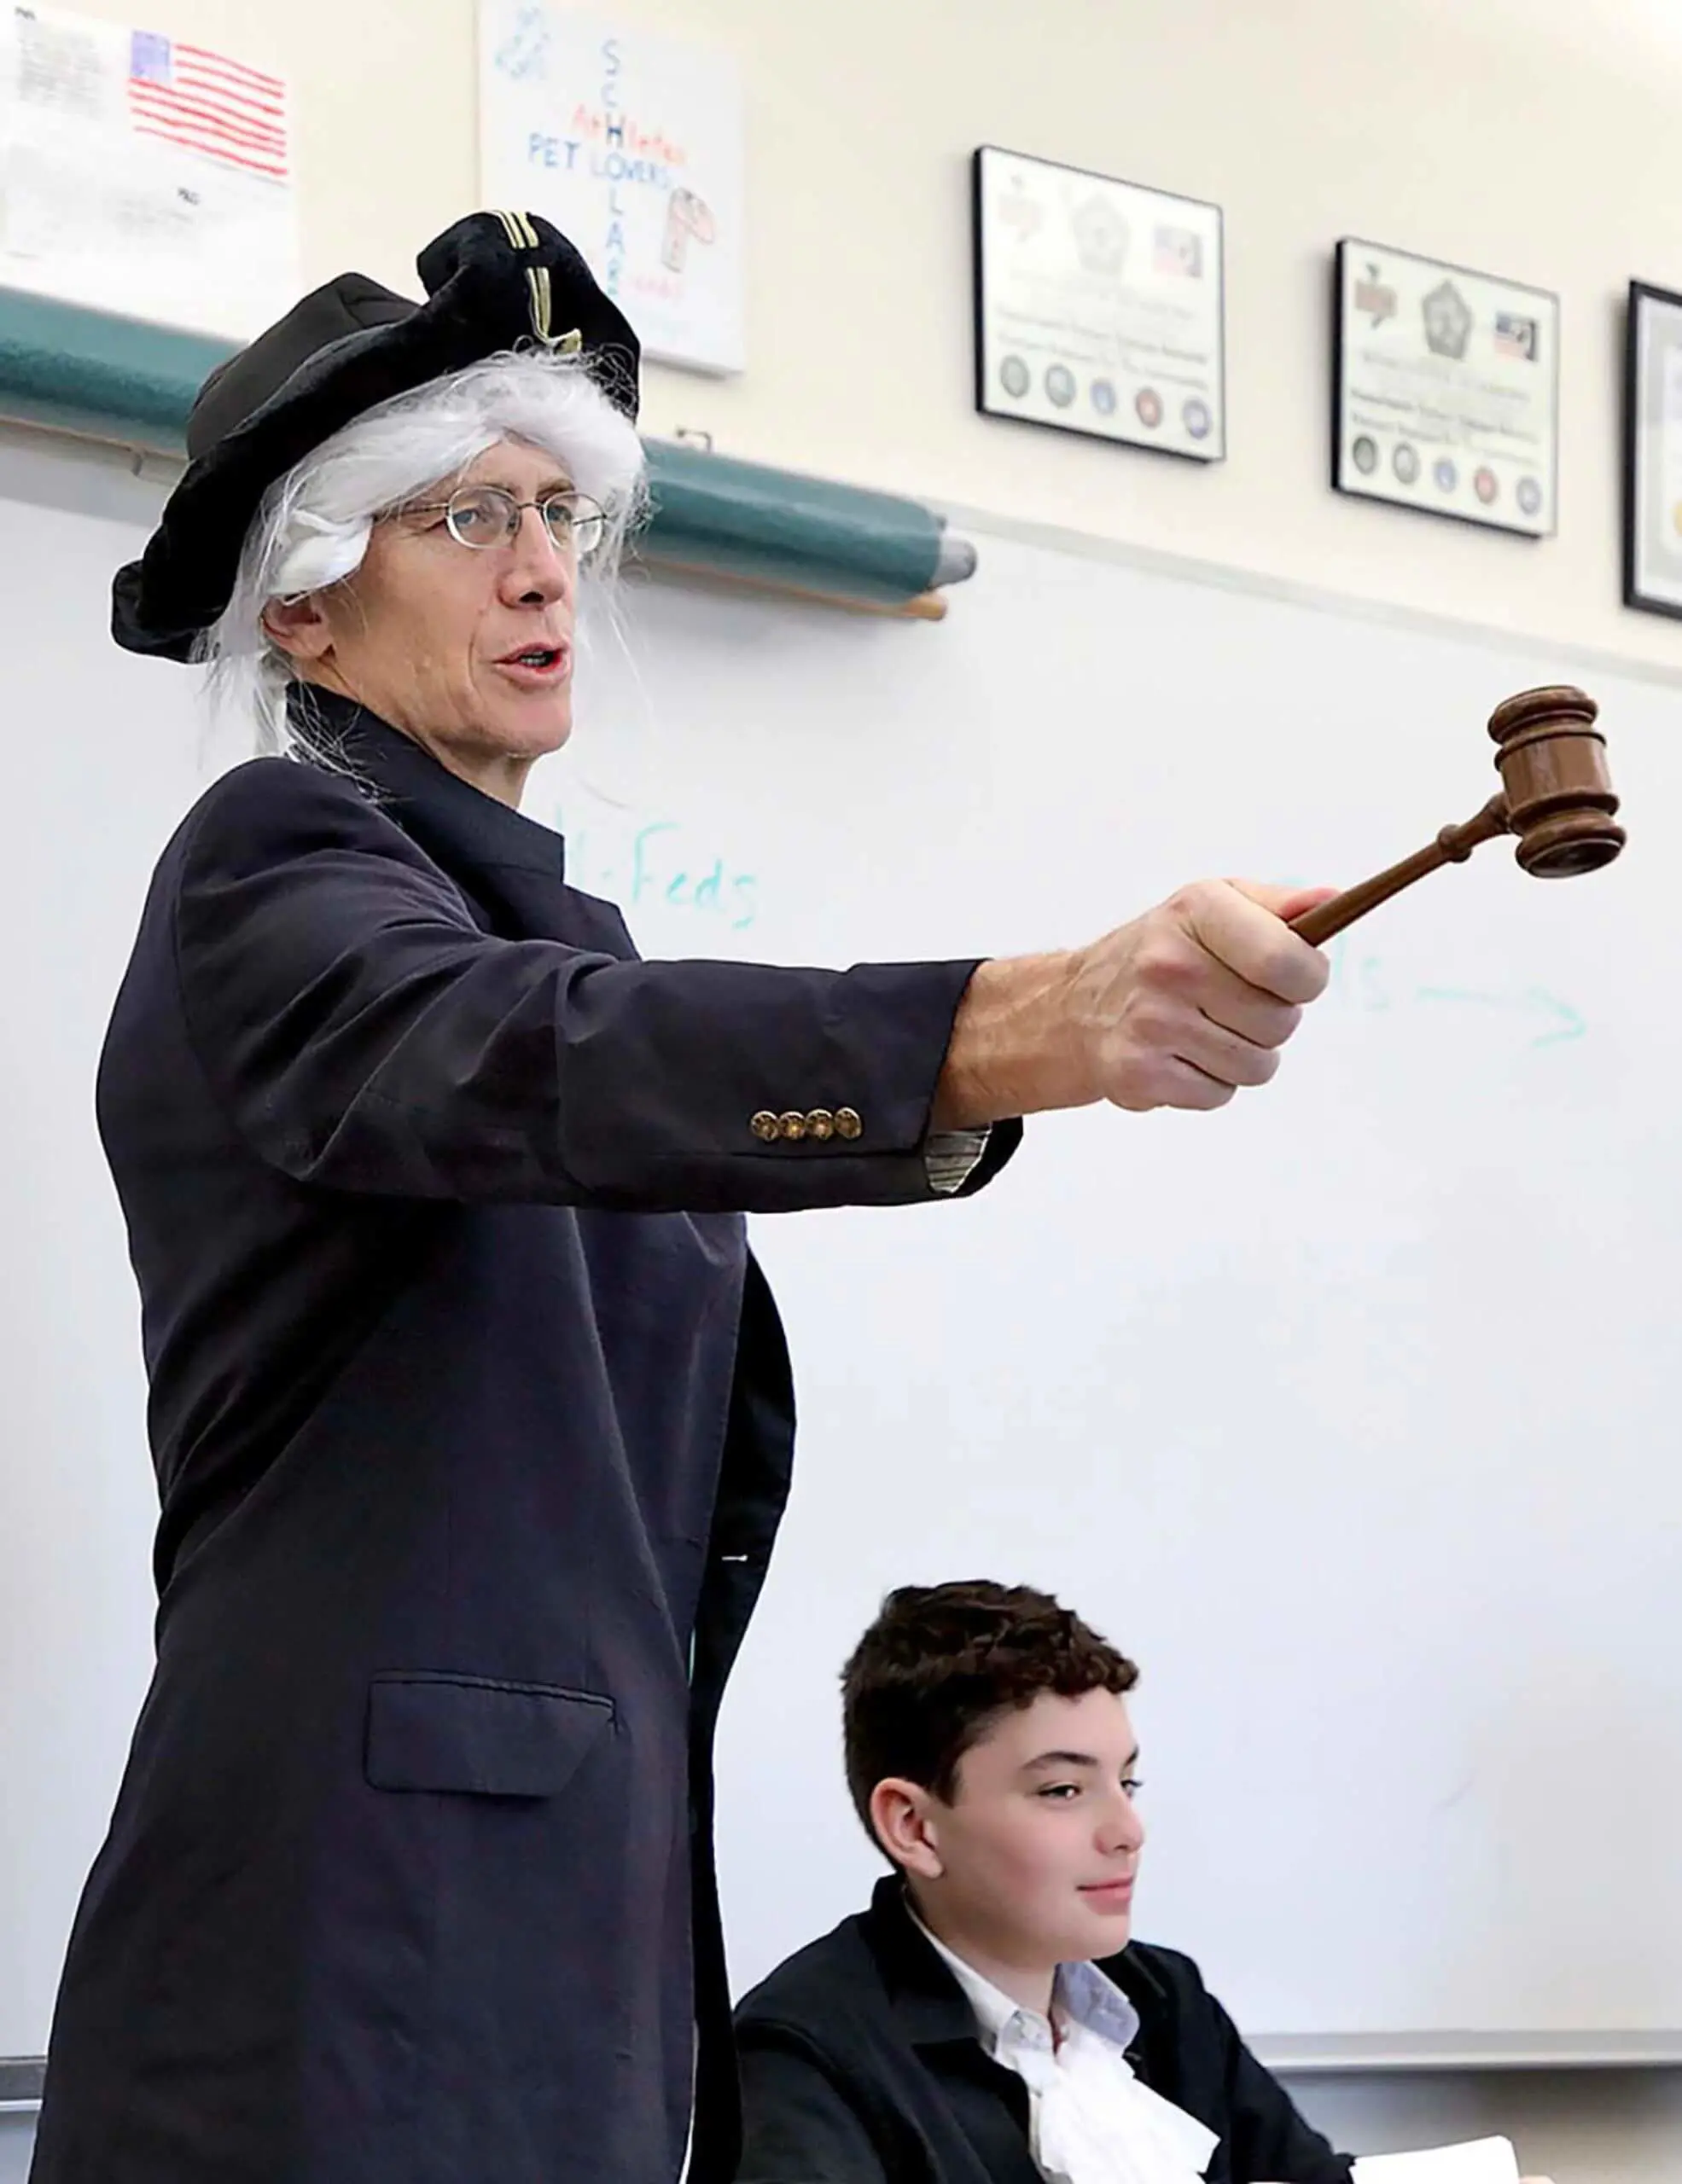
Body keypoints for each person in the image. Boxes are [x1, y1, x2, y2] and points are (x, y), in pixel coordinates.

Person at [28, 211, 1334, 2184]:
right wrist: (1009, 1026)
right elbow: (531, 1055)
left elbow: (595, 1070)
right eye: (462, 517)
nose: (545, 562)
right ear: (302, 609)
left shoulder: (527, 931)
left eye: (559, 509)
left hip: (555, 1951)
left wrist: (984, 1082)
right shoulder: (276, 857)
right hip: (347, 1953)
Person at [735, 1582, 1556, 2184]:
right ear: (913, 1826)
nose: (1125, 1831)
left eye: (1125, 1783)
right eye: (1062, 1790)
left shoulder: (1162, 1998)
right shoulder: (802, 2054)